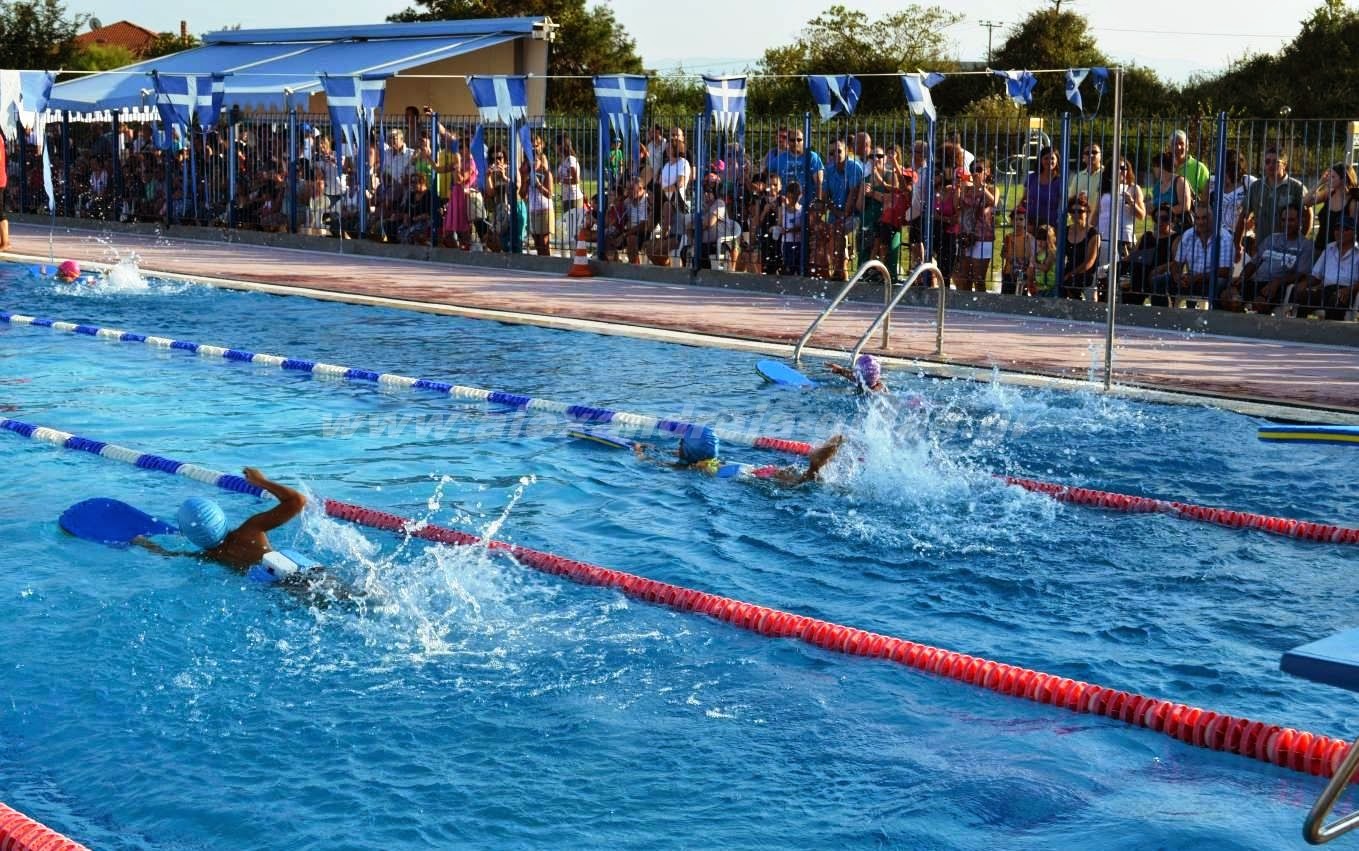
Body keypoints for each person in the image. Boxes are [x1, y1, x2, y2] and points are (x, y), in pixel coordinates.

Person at [135, 468, 351, 601]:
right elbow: (297, 501)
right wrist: (260, 482)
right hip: (308, 575)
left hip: (282, 590)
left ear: (191, 536)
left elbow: (170, 555)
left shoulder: (211, 557)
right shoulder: (251, 530)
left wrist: (145, 544)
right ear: (220, 516)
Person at [635, 428, 845, 486]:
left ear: (691, 451)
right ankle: (814, 468)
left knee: (798, 483)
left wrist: (640, 454)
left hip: (741, 476)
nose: (678, 446)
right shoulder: (706, 458)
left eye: (681, 443)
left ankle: (814, 468)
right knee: (794, 478)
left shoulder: (692, 468)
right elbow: (679, 455)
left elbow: (662, 465)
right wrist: (653, 446)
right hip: (744, 467)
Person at [1232, 202, 1312, 314]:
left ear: (1300, 221)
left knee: (1259, 303)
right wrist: (1242, 277)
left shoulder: (1305, 245)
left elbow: (1301, 274)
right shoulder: (1271, 239)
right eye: (1284, 220)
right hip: (1255, 282)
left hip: (1279, 286)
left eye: (1291, 220)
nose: (1286, 224)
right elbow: (1254, 263)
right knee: (1228, 297)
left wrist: (1278, 281)